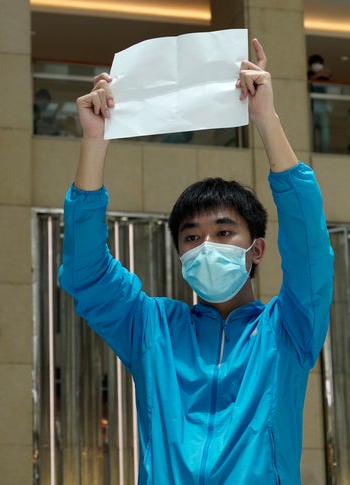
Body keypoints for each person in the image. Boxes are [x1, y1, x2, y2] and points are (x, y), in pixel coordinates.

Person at [58, 38, 334, 484]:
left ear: (256, 249)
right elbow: (85, 272)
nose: (206, 245)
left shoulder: (289, 328)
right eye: (192, 237)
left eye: (224, 233)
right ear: (181, 253)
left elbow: (310, 246)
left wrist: (265, 119)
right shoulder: (151, 329)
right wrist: (95, 141)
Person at [307, 54, 333, 152]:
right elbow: (307, 82)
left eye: (318, 63)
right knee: (311, 132)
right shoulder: (309, 74)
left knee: (325, 132)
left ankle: (324, 151)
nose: (317, 65)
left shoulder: (326, 75)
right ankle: (312, 150)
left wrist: (327, 75)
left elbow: (334, 83)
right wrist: (319, 75)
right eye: (315, 63)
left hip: (323, 109)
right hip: (312, 109)